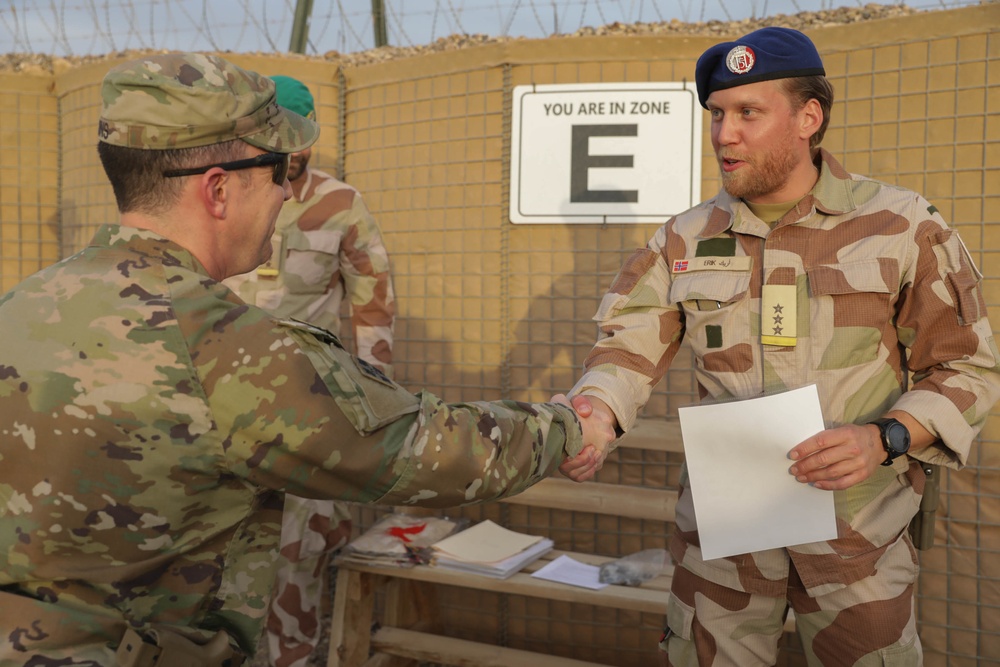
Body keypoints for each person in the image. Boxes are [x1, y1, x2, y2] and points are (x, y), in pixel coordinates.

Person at [0, 52, 616, 666]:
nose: (289, 191)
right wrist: (566, 428)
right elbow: (416, 451)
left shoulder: (22, 307)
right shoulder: (219, 345)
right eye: (276, 172)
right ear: (218, 189)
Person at [559, 27, 1000, 666]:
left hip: (859, 545)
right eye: (716, 115)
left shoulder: (903, 225)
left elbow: (967, 366)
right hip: (723, 551)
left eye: (748, 113)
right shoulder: (683, 240)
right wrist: (594, 415)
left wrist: (886, 437)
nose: (723, 134)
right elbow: (625, 348)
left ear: (808, 117)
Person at [222, 74, 395, 667]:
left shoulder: (340, 205)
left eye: (298, 142)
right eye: (277, 141)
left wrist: (369, 399)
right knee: (222, 550)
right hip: (224, 410)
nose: (289, 155)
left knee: (299, 553)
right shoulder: (226, 198)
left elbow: (374, 301)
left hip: (309, 411)